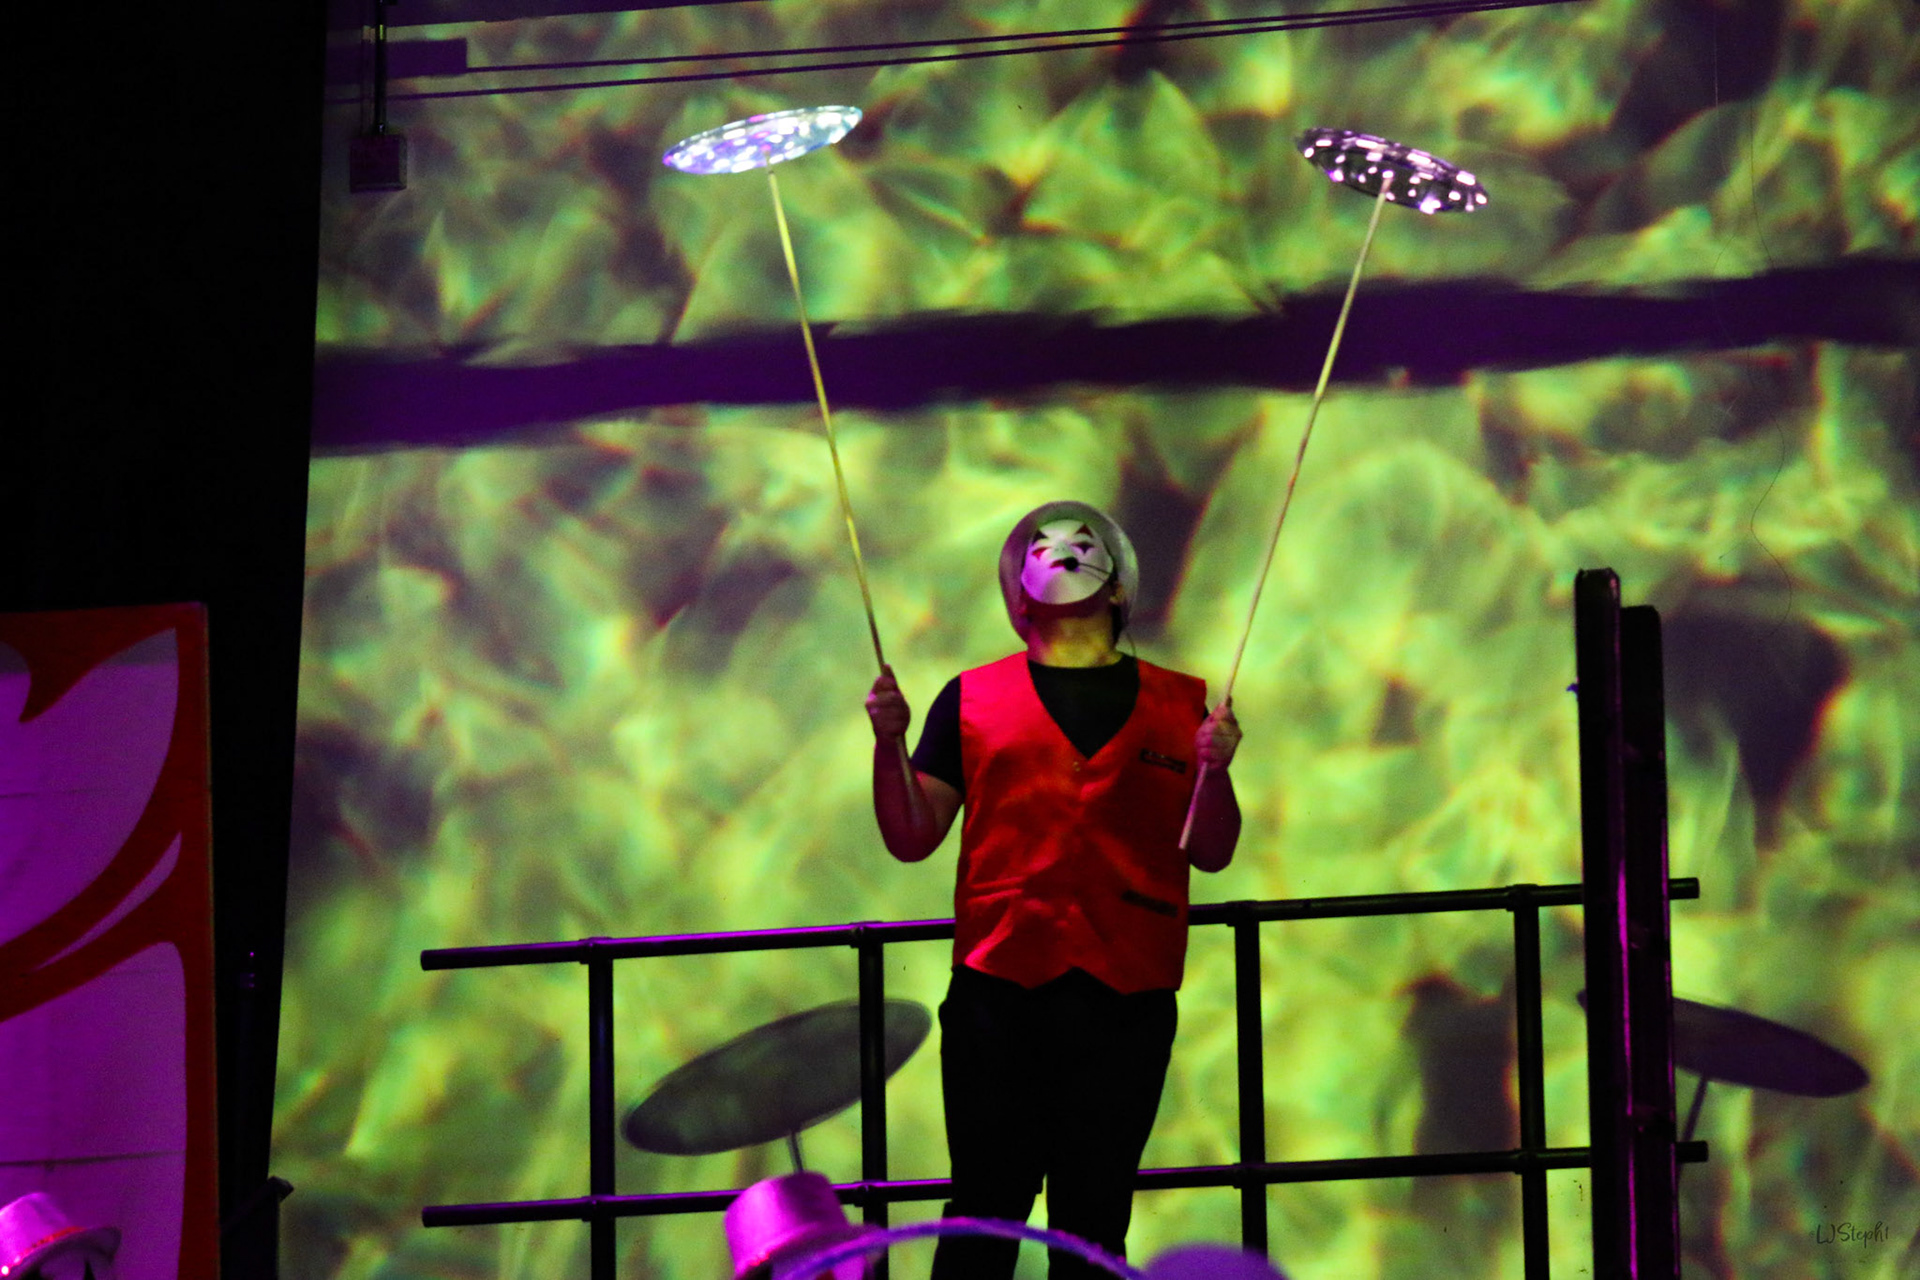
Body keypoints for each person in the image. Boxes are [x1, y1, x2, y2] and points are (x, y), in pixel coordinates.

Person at [865, 500, 1242, 1280]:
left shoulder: (1181, 705)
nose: (1064, 552)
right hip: (999, 995)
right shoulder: (969, 699)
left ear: (1119, 587)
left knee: (1095, 1217)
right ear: (1018, 597)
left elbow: (1212, 849)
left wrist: (1216, 769)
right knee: (984, 1209)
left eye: (1082, 546)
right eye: (1043, 548)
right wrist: (888, 743)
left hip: (1127, 998)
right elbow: (912, 834)